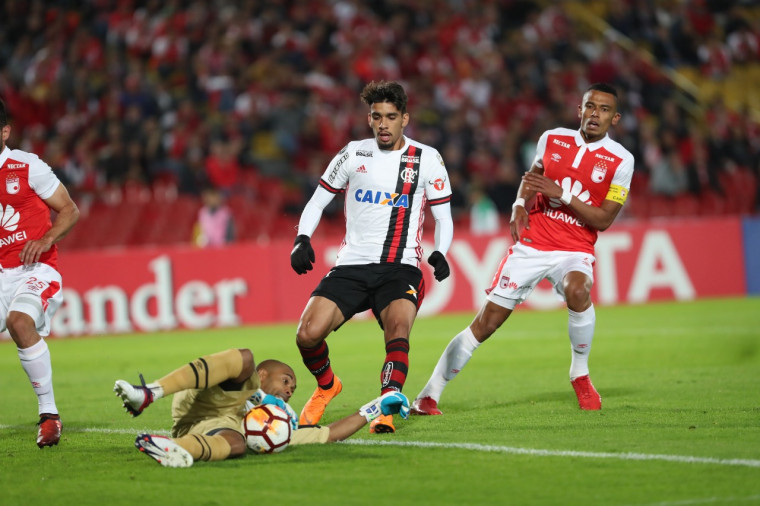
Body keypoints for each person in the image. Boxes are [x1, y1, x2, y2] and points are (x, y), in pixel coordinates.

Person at [412, 83, 634, 414]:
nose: (594, 114)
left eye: (603, 110)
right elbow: (533, 176)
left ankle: (580, 374)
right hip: (533, 244)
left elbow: (602, 221)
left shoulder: (621, 160)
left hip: (575, 248)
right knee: (485, 324)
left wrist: (562, 194)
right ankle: (429, 395)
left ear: (614, 119)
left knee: (578, 290)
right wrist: (518, 203)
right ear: (579, 110)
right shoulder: (552, 138)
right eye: (590, 107)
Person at [289, 80, 453, 434]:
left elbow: (444, 217)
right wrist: (302, 238)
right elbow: (318, 200)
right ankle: (328, 384)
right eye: (377, 116)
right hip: (352, 265)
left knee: (398, 329)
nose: (383, 124)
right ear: (369, 118)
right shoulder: (353, 154)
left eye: (391, 117)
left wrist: (441, 252)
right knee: (307, 334)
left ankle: (387, 404)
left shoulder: (427, 159)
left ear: (405, 118)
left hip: (401, 267)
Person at [113, 348, 410, 468]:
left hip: (209, 428)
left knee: (237, 444)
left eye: (293, 388)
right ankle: (150, 392)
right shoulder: (251, 379)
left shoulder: (278, 423)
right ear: (265, 376)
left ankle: (172, 448)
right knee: (244, 359)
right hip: (205, 401)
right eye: (286, 381)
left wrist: (375, 407)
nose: (290, 390)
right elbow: (239, 369)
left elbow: (329, 433)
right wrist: (257, 396)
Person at [0, 98, 80, 447]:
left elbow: (69, 210)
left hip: (37, 269)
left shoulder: (27, 166)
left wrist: (46, 239)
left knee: (20, 322)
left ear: (4, 131)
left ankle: (49, 415)